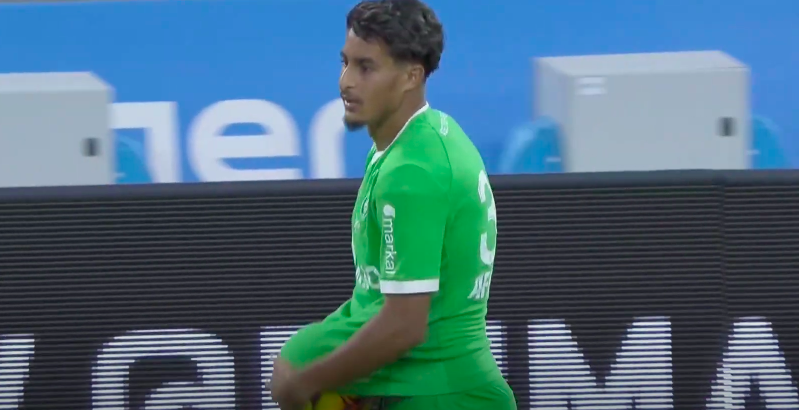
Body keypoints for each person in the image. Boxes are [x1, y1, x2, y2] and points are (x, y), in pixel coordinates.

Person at [270, 0, 516, 409]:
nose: (345, 82)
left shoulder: (412, 173)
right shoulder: (419, 135)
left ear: (411, 76)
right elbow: (377, 299)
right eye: (345, 63)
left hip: (441, 395)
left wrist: (306, 380)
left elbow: (404, 326)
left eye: (365, 68)